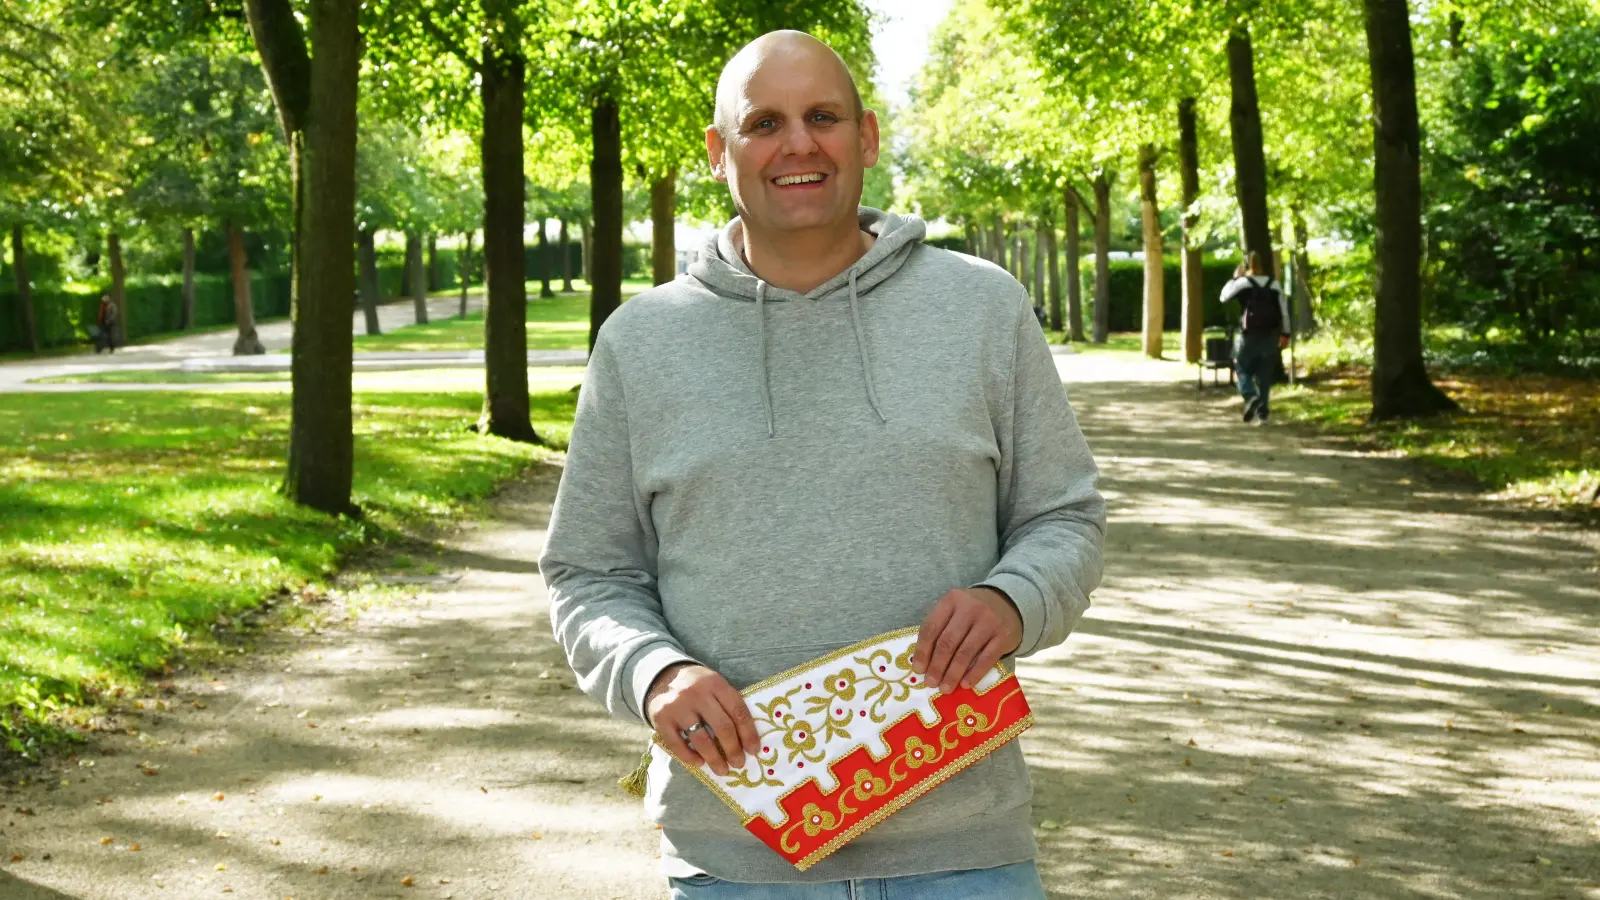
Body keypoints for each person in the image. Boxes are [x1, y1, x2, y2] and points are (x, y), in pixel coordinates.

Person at [540, 30, 1105, 898]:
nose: (797, 144)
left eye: (823, 117)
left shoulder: (983, 310)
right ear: (719, 152)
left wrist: (1011, 599)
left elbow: (1062, 517)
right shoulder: (640, 343)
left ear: (867, 137)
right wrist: (655, 674)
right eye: (764, 122)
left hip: (965, 854)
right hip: (734, 859)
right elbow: (589, 571)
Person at [1219, 252, 1291, 423]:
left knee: (1241, 367)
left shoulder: (1243, 283)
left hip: (1248, 335)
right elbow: (1284, 312)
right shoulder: (1275, 285)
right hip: (1270, 335)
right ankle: (1263, 412)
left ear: (1247, 265)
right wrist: (1285, 334)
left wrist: (1235, 278)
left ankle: (1251, 396)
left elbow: (1223, 297)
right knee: (1264, 373)